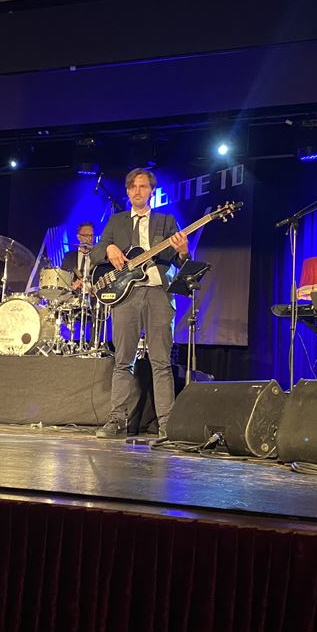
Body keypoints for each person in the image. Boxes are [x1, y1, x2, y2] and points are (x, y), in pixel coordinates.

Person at [90, 168, 189, 438]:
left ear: (151, 192)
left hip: (158, 294)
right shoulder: (117, 221)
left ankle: (166, 424)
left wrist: (182, 251)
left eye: (143, 186)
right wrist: (108, 248)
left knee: (161, 362)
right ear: (127, 192)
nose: (137, 191)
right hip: (126, 296)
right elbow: (96, 252)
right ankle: (116, 420)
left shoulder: (166, 221)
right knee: (123, 361)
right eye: (133, 187)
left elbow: (181, 261)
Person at [61, 221, 96, 290]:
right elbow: (63, 278)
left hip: (94, 292)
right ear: (78, 237)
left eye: (92, 235)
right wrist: (72, 285)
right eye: (86, 235)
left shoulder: (98, 255)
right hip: (74, 293)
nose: (90, 239)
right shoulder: (68, 256)